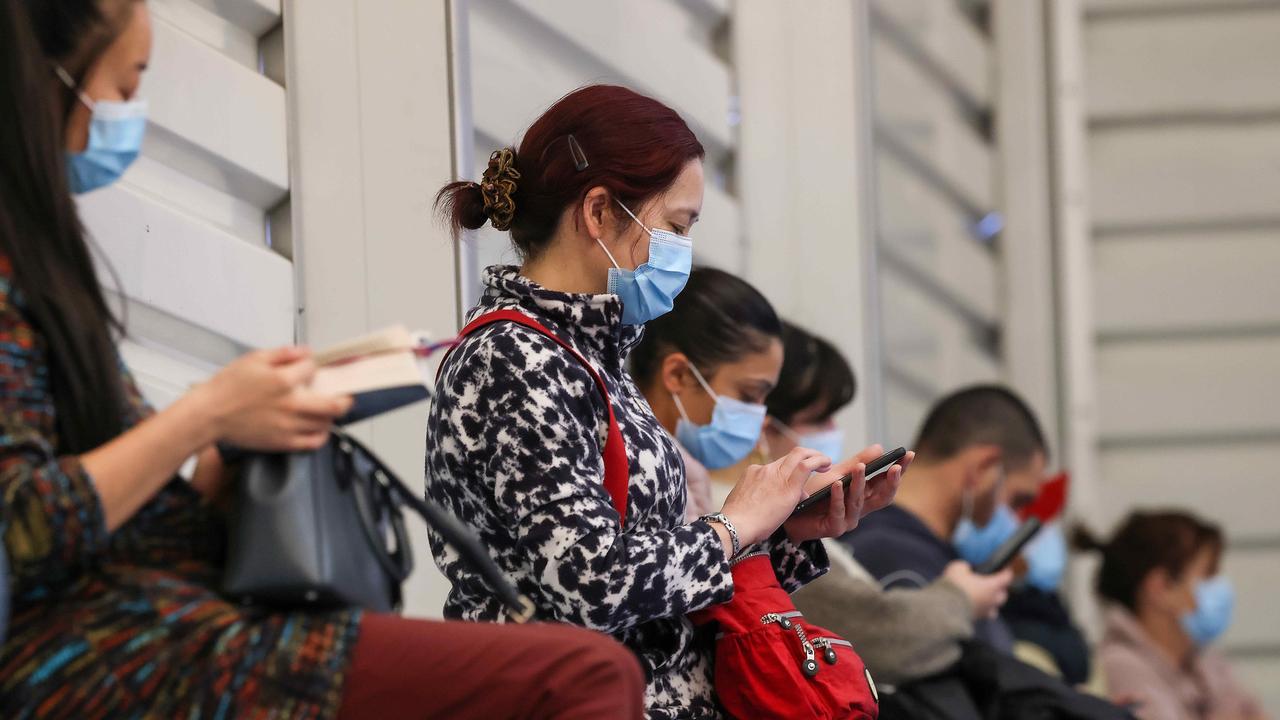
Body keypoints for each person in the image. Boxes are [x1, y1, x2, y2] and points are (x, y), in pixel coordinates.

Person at [0, 1, 644, 717]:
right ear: (46, 80)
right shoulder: (515, 355)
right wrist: (207, 413)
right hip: (102, 652)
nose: (133, 114)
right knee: (589, 676)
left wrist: (228, 454)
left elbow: (124, 530)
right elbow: (24, 529)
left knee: (592, 673)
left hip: (148, 627)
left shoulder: (46, 272)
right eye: (124, 88)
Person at [427, 85, 905, 718]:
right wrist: (734, 527)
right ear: (598, 212)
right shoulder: (513, 361)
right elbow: (591, 584)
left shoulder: (591, 356)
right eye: (677, 226)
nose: (683, 249)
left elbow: (653, 588)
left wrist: (782, 532)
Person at [753, 322, 1011, 687]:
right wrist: (961, 600)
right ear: (764, 426)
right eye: (818, 419)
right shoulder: (743, 521)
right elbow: (880, 639)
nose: (833, 431)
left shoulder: (786, 520)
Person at [841, 384, 1049, 653]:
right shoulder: (892, 557)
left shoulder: (918, 552)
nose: (1016, 519)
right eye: (1018, 500)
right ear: (983, 467)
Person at [1076, 511, 1267, 720]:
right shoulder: (1120, 668)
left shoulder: (1204, 659)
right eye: (1209, 573)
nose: (1221, 585)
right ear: (1160, 588)